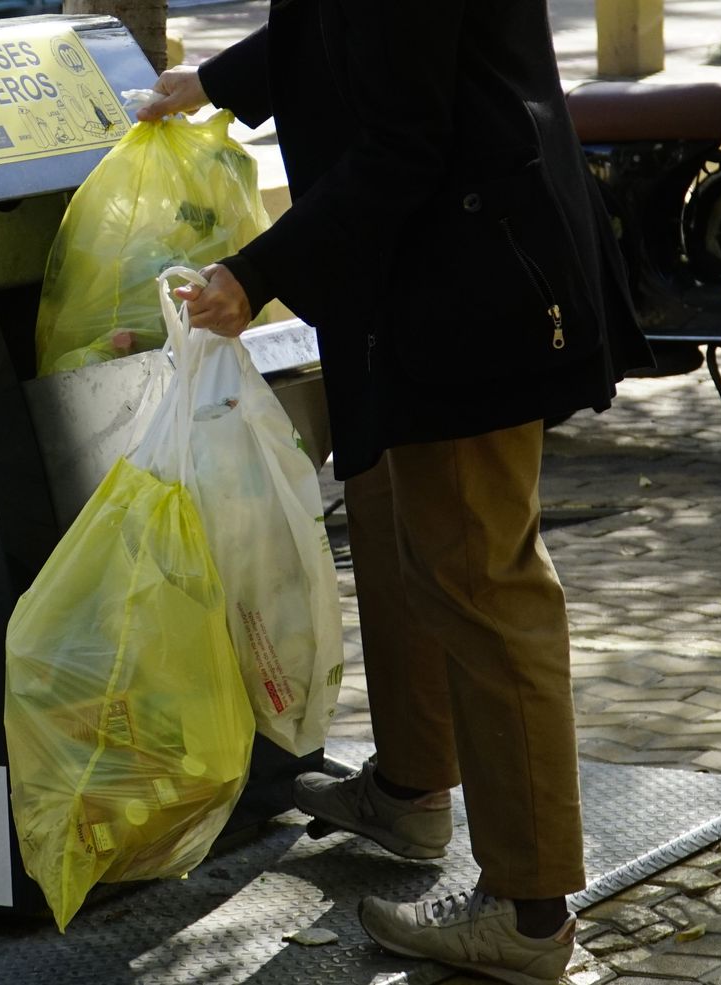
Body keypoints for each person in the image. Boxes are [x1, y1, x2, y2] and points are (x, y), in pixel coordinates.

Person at [137, 2, 653, 982]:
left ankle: (527, 910)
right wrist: (220, 81)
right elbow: (341, 31)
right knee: (412, 539)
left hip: (470, 287)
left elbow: (406, 142)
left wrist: (258, 275)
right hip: (422, 281)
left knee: (479, 576)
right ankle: (414, 791)